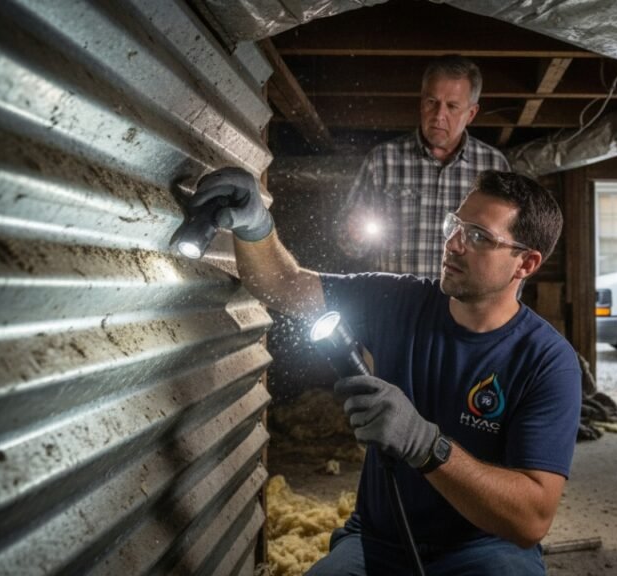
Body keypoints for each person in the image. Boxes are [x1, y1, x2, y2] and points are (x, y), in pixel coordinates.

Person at [191, 167, 581, 576]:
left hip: (486, 549)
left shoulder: (547, 362)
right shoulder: (396, 300)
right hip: (378, 540)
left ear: (527, 263)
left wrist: (428, 446)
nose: (453, 244)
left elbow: (531, 520)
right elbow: (282, 284)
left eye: (479, 237)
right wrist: (255, 226)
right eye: (456, 225)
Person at [342, 54, 510, 278]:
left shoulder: (493, 166)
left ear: (471, 113)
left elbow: (508, 250)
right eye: (432, 103)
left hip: (461, 308)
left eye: (451, 106)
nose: (439, 116)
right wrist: (352, 235)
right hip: (397, 305)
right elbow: (349, 245)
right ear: (421, 103)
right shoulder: (382, 160)